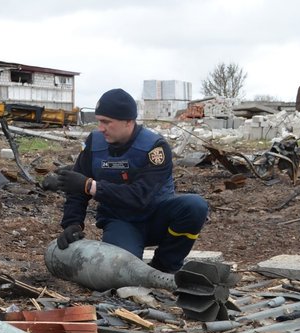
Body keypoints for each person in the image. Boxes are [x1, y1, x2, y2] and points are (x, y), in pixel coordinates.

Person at [53, 88, 208, 273]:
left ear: (128, 121)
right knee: (119, 270)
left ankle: (165, 266)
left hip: (157, 217)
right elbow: (76, 188)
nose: (100, 128)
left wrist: (91, 186)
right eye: (99, 121)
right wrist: (72, 223)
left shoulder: (154, 148)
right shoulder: (95, 144)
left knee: (195, 206)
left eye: (106, 122)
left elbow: (141, 196)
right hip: (121, 221)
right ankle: (131, 255)